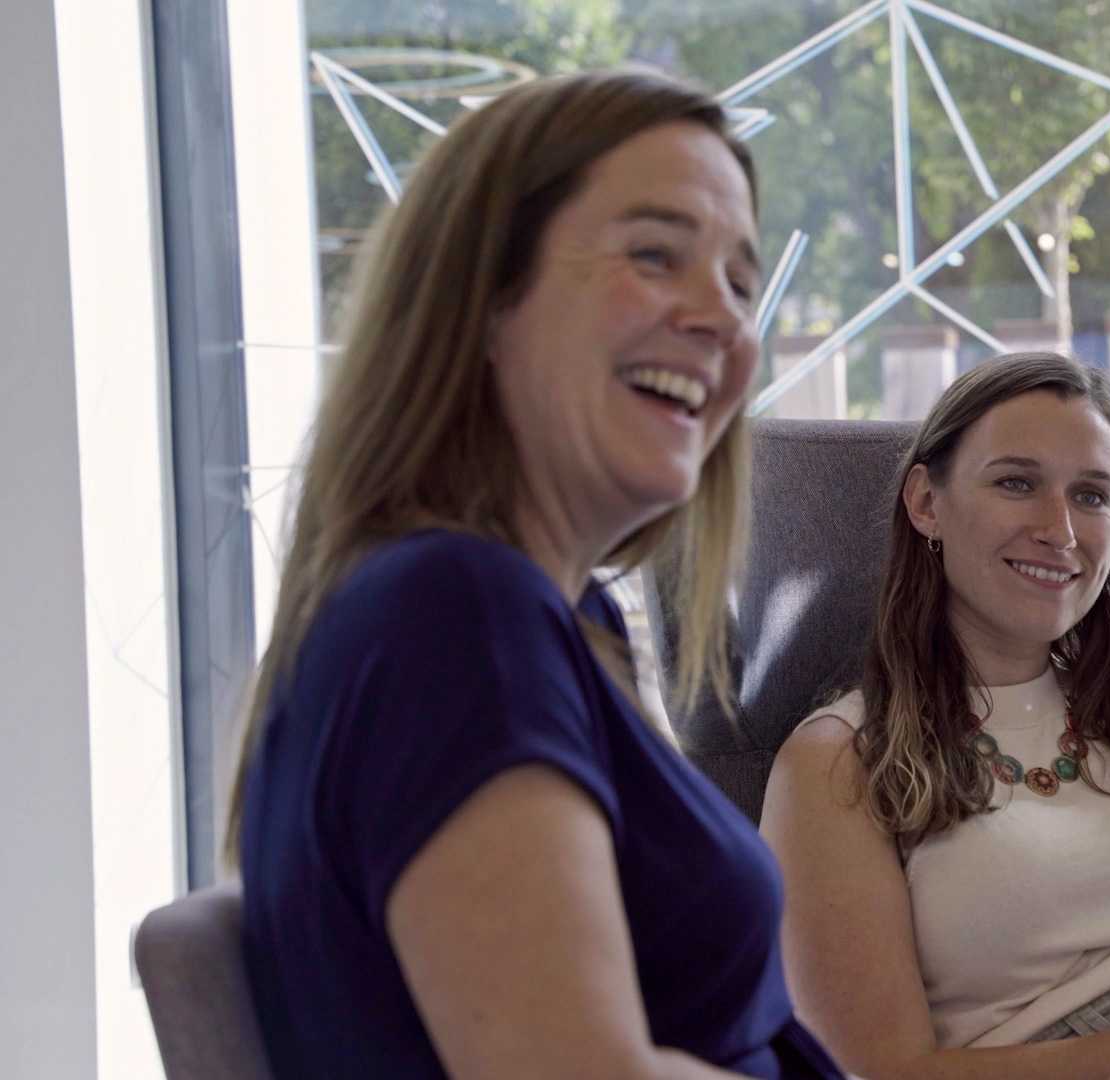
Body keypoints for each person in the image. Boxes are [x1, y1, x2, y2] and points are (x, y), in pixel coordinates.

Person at [232, 69, 844, 1079]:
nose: (725, 321)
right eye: (656, 255)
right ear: (480, 300)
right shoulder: (454, 617)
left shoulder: (548, 615)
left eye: (742, 282)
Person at [761, 353, 1110, 1080]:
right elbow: (880, 1073)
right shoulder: (839, 763)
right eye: (1017, 483)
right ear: (926, 503)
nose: (1060, 531)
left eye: (1093, 496)